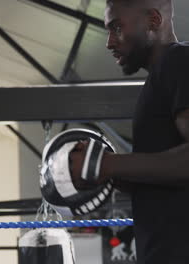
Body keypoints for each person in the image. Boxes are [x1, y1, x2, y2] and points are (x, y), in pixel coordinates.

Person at [68, 0, 189, 263]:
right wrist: (111, 173)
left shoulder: (179, 61)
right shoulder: (161, 76)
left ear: (153, 21)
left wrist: (109, 164)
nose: (110, 42)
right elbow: (165, 176)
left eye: (117, 28)